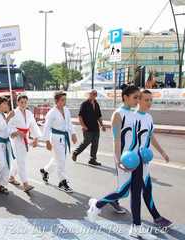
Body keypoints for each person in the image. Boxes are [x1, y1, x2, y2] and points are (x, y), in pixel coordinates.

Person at [86, 85, 158, 240]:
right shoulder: (118, 114)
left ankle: (136, 228)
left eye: (139, 97)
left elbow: (140, 138)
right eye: (136, 97)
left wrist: (143, 156)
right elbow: (116, 139)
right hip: (125, 158)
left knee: (136, 192)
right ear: (125, 97)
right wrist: (118, 161)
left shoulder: (135, 115)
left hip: (137, 158)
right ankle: (96, 206)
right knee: (123, 191)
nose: (138, 100)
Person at [134, 89, 174, 228]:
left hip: (144, 160)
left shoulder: (148, 117)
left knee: (126, 188)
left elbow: (151, 136)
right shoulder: (133, 117)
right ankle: (156, 217)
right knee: (146, 187)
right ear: (138, 100)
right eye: (146, 100)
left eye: (151, 100)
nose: (149, 103)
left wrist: (162, 152)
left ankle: (109, 202)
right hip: (135, 160)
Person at [40, 91, 77, 193]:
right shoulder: (51, 113)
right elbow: (46, 128)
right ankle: (62, 181)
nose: (65, 102)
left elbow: (69, 124)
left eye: (65, 99)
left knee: (58, 159)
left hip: (64, 137)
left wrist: (73, 134)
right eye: (62, 100)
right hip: (56, 138)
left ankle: (45, 171)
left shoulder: (66, 110)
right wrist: (47, 141)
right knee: (61, 160)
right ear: (56, 101)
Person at [9, 95, 42, 192]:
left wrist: (36, 139)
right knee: (21, 161)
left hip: (25, 137)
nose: (23, 104)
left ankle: (11, 176)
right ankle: (25, 183)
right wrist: (15, 132)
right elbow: (9, 126)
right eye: (21, 102)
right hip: (16, 139)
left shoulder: (29, 113)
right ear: (17, 103)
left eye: (25, 102)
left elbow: (33, 125)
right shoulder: (13, 113)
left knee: (20, 159)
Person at [72, 90, 105, 165]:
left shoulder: (96, 104)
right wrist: (83, 125)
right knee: (87, 141)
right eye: (90, 93)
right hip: (87, 127)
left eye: (93, 94)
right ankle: (76, 152)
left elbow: (99, 116)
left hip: (95, 127)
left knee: (95, 144)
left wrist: (102, 125)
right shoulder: (84, 104)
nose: (91, 95)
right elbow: (80, 116)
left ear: (96, 95)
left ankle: (92, 159)